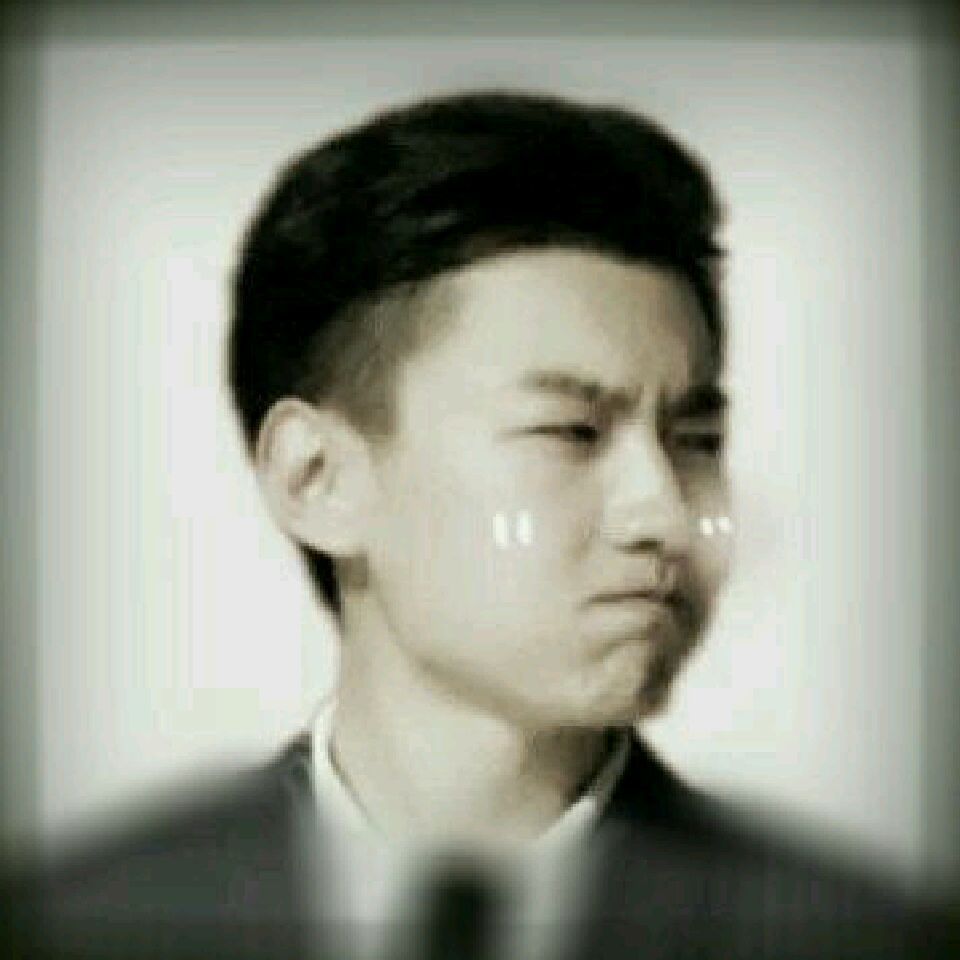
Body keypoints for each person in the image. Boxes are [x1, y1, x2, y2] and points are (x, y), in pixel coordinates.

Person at [8, 90, 942, 959]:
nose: (666, 512)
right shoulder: (78, 923)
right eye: (570, 431)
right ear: (316, 478)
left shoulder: (862, 936)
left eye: (695, 439)